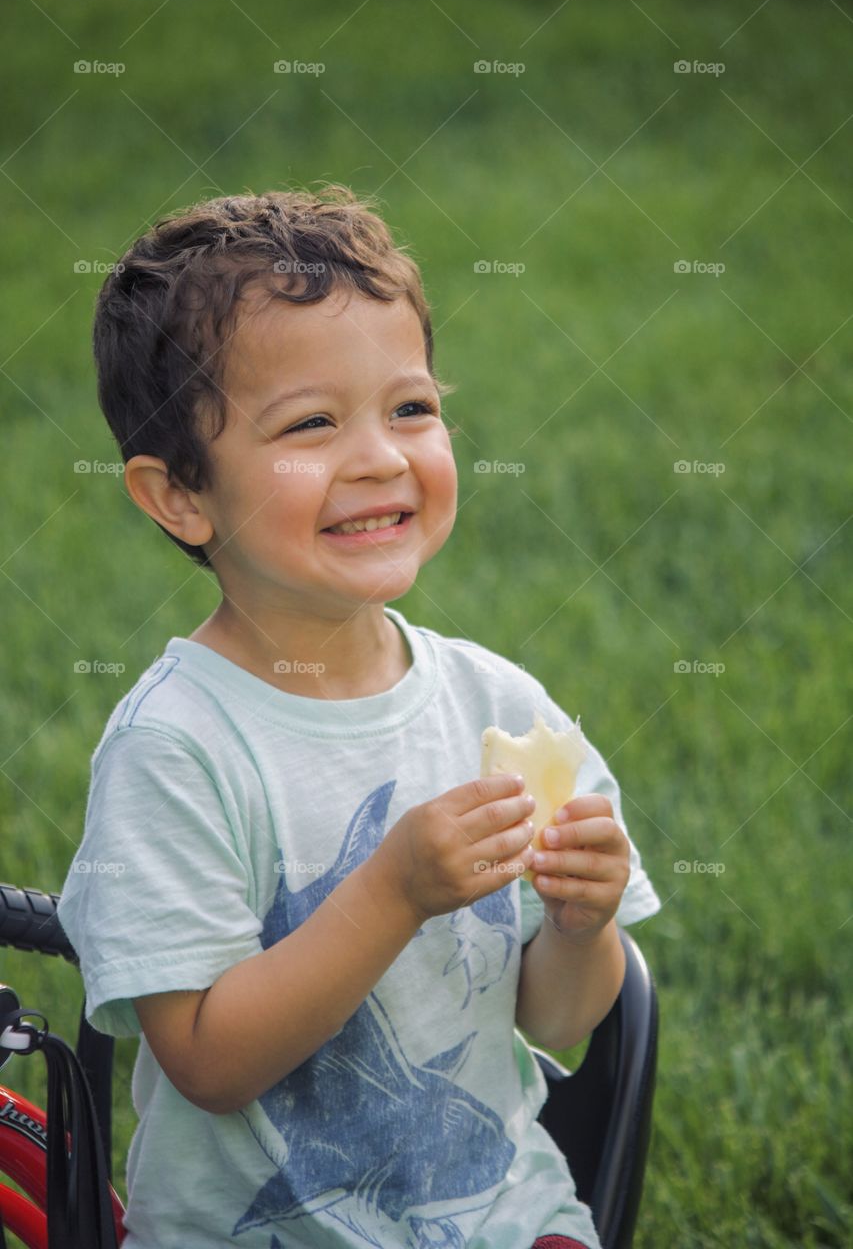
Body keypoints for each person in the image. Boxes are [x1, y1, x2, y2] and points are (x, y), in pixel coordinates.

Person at [58, 184, 662, 1249]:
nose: (381, 455)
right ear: (180, 496)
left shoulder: (499, 704)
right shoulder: (178, 748)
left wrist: (581, 919)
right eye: (311, 423)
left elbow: (558, 1020)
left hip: (500, 1216)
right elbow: (205, 1060)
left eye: (411, 408)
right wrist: (391, 889)